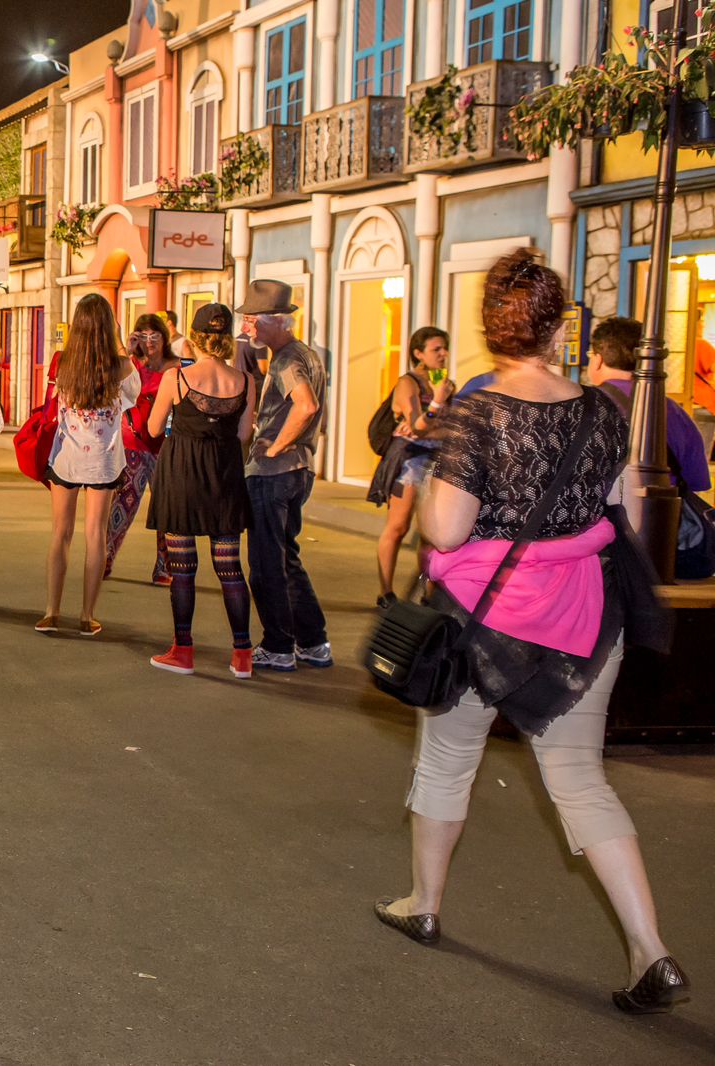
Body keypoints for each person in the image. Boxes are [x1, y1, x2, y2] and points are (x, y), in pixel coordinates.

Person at [377, 248, 689, 1016]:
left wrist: (426, 497)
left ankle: (423, 901)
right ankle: (652, 948)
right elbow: (610, 505)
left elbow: (446, 531)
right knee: (581, 781)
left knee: (449, 761)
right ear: (558, 328)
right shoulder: (602, 411)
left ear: (490, 329)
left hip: (487, 620)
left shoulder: (473, 415)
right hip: (581, 617)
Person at [144, 303, 255, 678]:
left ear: (193, 338)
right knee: (229, 567)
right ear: (226, 339)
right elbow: (242, 435)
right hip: (224, 477)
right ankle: (242, 654)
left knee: (183, 568)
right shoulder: (246, 381)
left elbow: (154, 429)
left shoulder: (176, 378)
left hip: (183, 477)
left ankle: (183, 650)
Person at [240, 280, 330, 672]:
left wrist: (275, 445)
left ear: (277, 321)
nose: (248, 329)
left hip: (274, 472)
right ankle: (313, 641)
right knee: (287, 558)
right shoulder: (305, 354)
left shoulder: (286, 360)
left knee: (265, 563)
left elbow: (305, 406)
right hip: (299, 471)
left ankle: (278, 645)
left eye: (253, 321)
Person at [37, 293, 139, 638]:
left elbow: (53, 403)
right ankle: (87, 615)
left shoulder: (62, 363)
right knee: (95, 536)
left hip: (66, 458)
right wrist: (121, 342)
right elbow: (133, 397)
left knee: (59, 534)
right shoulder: (122, 366)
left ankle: (51, 611)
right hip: (104, 462)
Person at [369, 327, 456, 606]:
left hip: (440, 461)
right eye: (436, 349)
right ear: (418, 354)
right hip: (410, 461)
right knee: (398, 526)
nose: (443, 354)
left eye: (444, 348)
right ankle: (386, 592)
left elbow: (450, 429)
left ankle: (429, 593)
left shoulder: (445, 383)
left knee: (431, 531)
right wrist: (437, 405)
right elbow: (418, 429)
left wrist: (432, 425)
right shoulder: (408, 383)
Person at [587, 315, 709, 495]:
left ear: (597, 360)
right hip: (663, 519)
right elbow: (697, 483)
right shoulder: (673, 411)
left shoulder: (583, 406)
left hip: (599, 517)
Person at [104, 312, 180, 585]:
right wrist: (126, 346)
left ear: (164, 337)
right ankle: (105, 557)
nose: (149, 341)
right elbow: (115, 389)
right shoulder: (131, 365)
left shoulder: (176, 367)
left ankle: (165, 567)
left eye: (154, 335)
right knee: (123, 503)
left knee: (166, 506)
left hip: (166, 445)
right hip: (133, 442)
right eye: (143, 335)